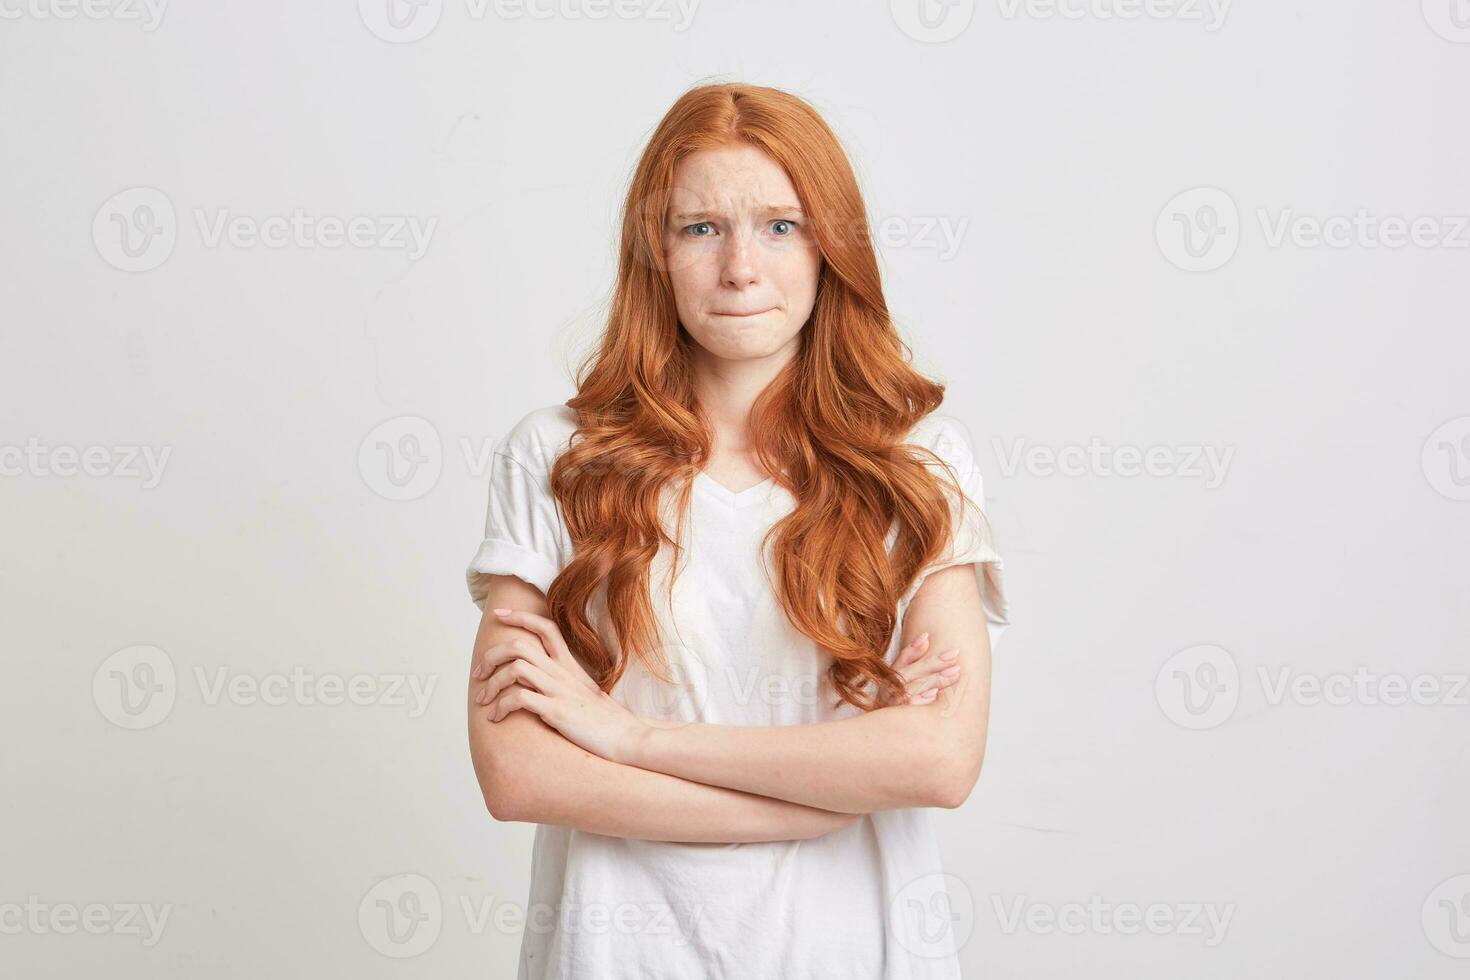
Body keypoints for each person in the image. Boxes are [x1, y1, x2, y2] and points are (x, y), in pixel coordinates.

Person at [464, 81, 1010, 980]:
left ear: (832, 245)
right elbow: (519, 773)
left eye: (781, 225)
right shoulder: (555, 458)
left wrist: (627, 737)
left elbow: (939, 759)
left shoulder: (920, 461)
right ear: (655, 252)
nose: (741, 267)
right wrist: (819, 798)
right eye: (700, 228)